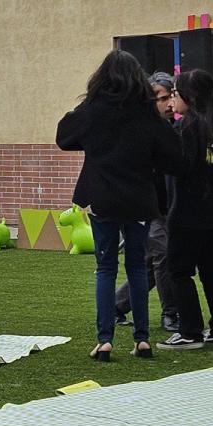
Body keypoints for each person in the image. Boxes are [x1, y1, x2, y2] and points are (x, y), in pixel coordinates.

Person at [56, 50, 180, 361]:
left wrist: (88, 107)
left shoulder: (95, 109)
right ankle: (142, 338)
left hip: (102, 197)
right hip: (139, 198)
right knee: (138, 266)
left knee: (105, 267)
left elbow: (64, 135)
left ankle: (105, 339)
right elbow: (172, 155)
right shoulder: (147, 114)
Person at [157, 69, 213, 350]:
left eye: (174, 94)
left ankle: (190, 332)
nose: (172, 101)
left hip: (188, 213)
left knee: (179, 271)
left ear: (188, 97)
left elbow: (174, 168)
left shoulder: (185, 129)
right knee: (212, 271)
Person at [115, 72, 180, 333]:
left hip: (166, 207)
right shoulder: (139, 129)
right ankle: (171, 314)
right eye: (161, 98)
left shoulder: (175, 129)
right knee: (162, 255)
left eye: (170, 97)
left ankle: (116, 305)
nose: (167, 103)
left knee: (152, 263)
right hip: (145, 206)